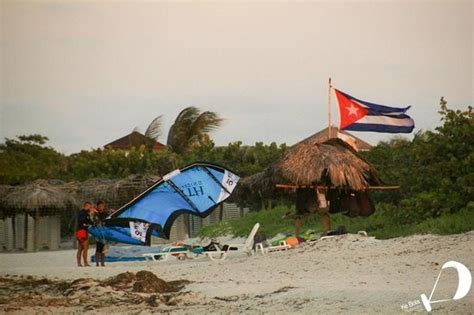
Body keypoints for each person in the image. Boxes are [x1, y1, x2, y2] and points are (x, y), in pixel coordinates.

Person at [76, 202, 93, 267]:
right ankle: (85, 263)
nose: (90, 207)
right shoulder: (83, 213)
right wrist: (87, 223)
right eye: (90, 206)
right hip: (82, 231)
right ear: (86, 206)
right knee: (85, 247)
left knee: (80, 248)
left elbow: (89, 222)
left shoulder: (85, 213)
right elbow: (83, 221)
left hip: (80, 230)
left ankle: (79, 263)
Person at [92, 200, 108, 267]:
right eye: (99, 206)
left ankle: (103, 263)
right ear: (97, 207)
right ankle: (97, 263)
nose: (101, 207)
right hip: (98, 233)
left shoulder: (106, 214)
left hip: (104, 233)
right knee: (98, 248)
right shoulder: (95, 214)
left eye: (102, 206)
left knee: (103, 249)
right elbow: (95, 222)